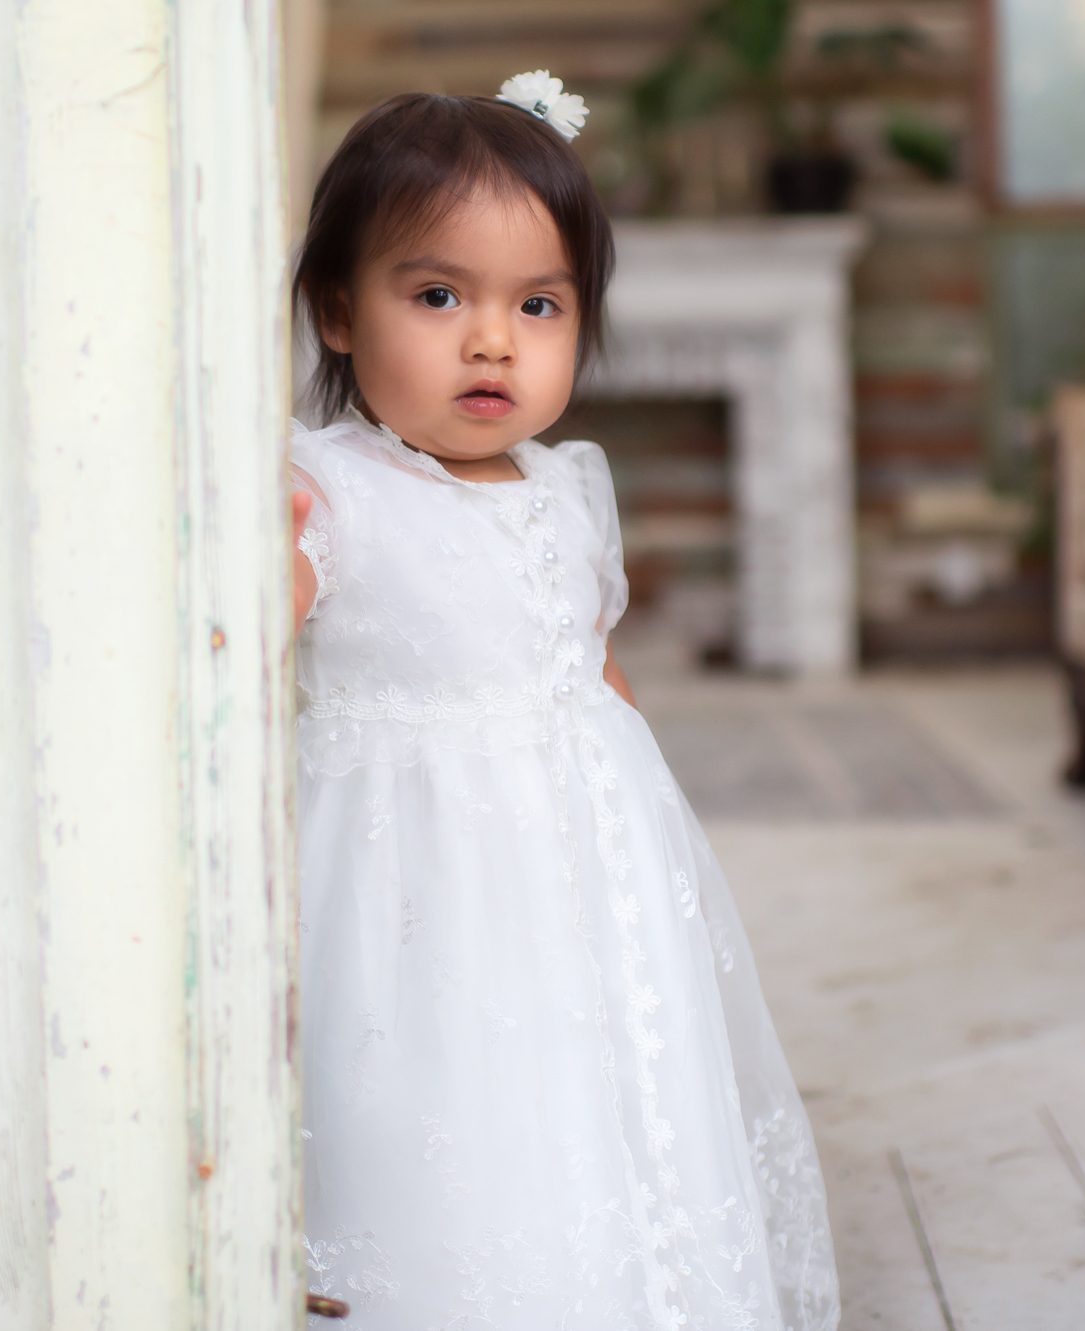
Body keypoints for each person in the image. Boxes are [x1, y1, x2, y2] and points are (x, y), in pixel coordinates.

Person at [287, 72, 841, 1330]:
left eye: (536, 304)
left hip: (584, 870)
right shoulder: (328, 491)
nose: (492, 340)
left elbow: (589, 669)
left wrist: (640, 835)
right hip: (412, 887)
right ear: (336, 309)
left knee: (600, 1088)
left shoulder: (563, 487)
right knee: (439, 1100)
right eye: (436, 296)